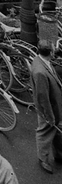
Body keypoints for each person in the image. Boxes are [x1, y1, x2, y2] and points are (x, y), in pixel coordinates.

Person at [30, 40, 62, 173]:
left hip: (56, 106)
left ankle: (59, 154)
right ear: (50, 52)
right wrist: (50, 116)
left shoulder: (39, 60)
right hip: (49, 109)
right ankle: (43, 159)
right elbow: (43, 97)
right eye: (53, 49)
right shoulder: (40, 72)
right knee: (45, 132)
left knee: (57, 131)